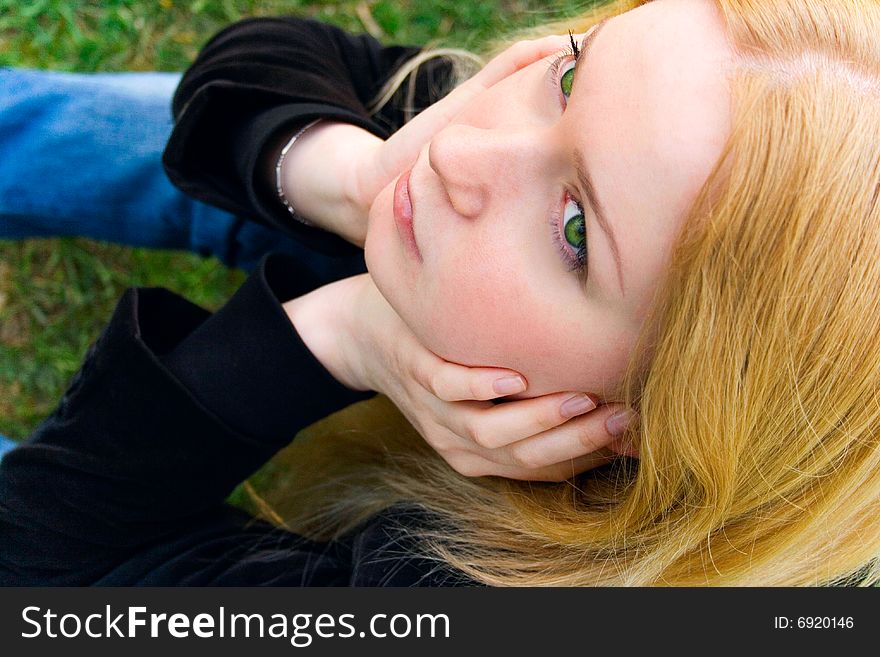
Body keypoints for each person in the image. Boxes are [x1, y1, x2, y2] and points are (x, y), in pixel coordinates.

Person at [3, 0, 880, 586]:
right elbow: (274, 55)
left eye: (575, 229)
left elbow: (41, 568)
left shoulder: (457, 591)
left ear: (673, 412)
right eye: (571, 77)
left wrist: (340, 335)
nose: (460, 151)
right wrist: (350, 178)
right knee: (282, 136)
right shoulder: (557, 145)